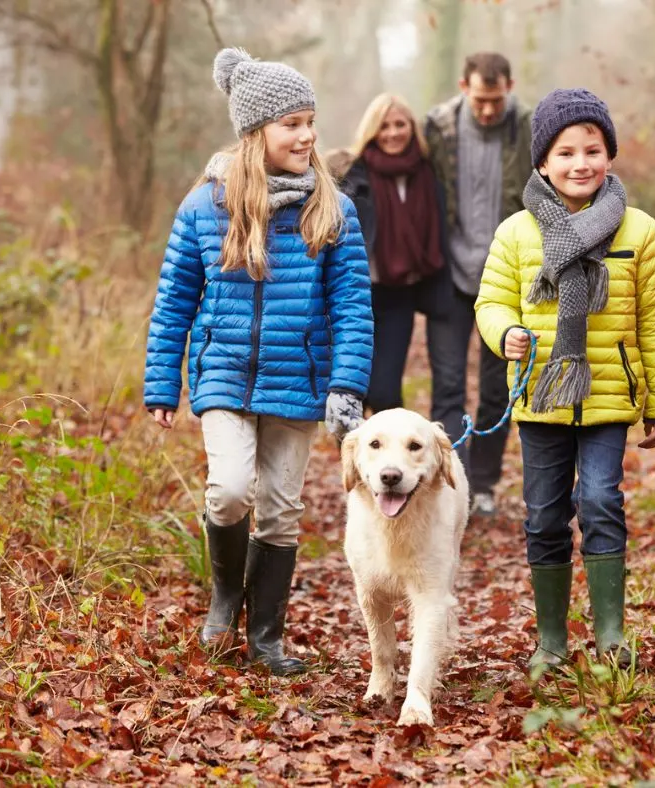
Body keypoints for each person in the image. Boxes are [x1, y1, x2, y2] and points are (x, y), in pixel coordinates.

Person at [143, 48, 373, 674]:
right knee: (230, 490)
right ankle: (224, 597)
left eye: (310, 120)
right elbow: (173, 303)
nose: (307, 135)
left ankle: (266, 634)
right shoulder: (204, 208)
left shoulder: (333, 210)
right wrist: (163, 381)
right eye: (291, 123)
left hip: (298, 380)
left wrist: (347, 386)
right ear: (255, 132)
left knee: (280, 506)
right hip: (222, 375)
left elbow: (353, 307)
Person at [475, 89, 655, 668]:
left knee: (598, 501)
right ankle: (551, 639)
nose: (580, 163)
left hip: (609, 397)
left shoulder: (638, 231)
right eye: (565, 153)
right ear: (543, 162)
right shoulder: (517, 233)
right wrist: (505, 332)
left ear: (609, 155)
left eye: (592, 149)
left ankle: (610, 634)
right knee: (544, 514)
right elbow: (490, 303)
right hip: (542, 395)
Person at [425, 52, 534, 517]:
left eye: (496, 99)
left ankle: (484, 484)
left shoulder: (528, 126)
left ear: (509, 86)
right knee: (448, 385)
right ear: (463, 86)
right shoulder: (438, 127)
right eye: (480, 99)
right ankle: (451, 482)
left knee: (496, 389)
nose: (488, 109)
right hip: (449, 275)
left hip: (506, 279)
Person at [338, 94, 450, 414]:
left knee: (386, 392)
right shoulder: (353, 174)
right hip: (357, 294)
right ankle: (358, 458)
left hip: (400, 294)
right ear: (372, 130)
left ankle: (392, 452)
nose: (392, 133)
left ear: (412, 128)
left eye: (400, 124)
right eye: (384, 126)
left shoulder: (427, 173)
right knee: (355, 389)